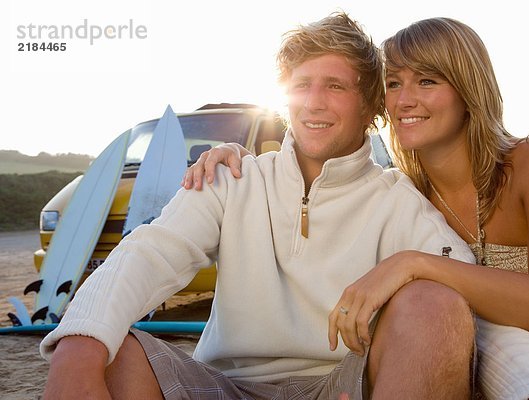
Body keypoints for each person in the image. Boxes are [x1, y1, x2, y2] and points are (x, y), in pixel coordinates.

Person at [40, 12, 477, 399]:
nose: (314, 102)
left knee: (435, 307)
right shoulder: (231, 178)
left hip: (341, 384)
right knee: (110, 350)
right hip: (225, 385)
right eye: (302, 84)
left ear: (369, 107)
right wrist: (77, 348)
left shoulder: (399, 201)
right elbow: (152, 250)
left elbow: (471, 302)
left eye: (336, 86)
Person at [182, 16, 529, 399]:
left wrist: (415, 264)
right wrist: (238, 156)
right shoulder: (407, 190)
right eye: (394, 83)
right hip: (467, 368)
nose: (404, 100)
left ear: (468, 88)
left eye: (427, 81)